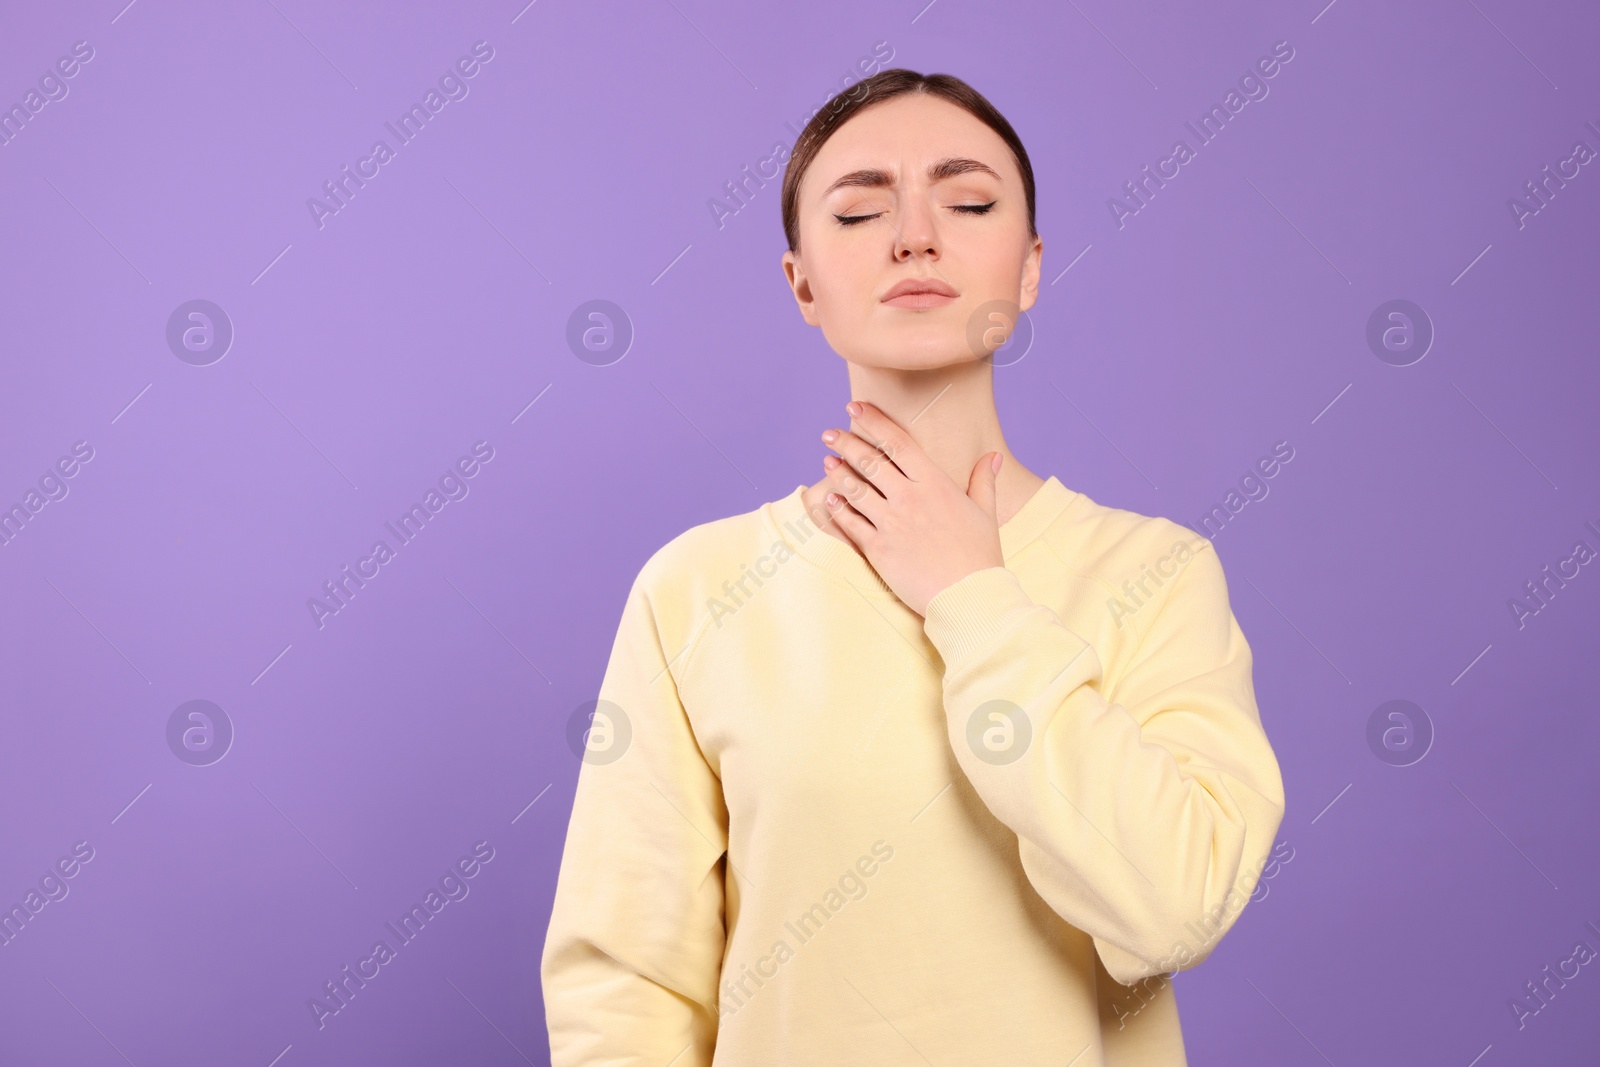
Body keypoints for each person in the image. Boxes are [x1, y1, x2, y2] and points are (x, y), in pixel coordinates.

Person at [540, 68, 1286, 1066]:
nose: (913, 237)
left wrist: (974, 596)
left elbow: (1176, 907)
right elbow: (624, 981)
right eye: (858, 212)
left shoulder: (1154, 571)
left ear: (1027, 268)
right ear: (801, 281)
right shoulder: (695, 588)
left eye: (967, 200)